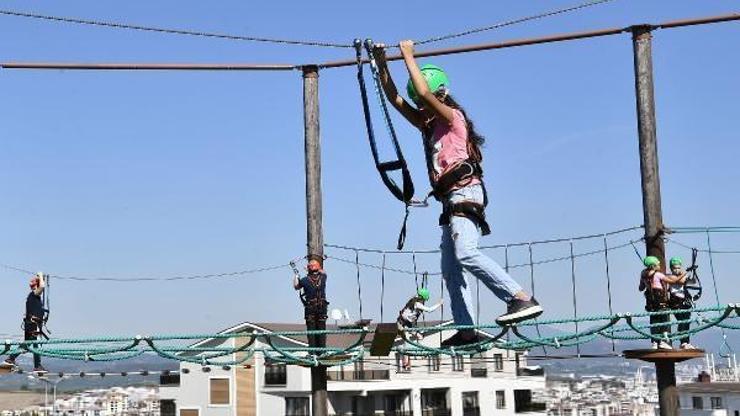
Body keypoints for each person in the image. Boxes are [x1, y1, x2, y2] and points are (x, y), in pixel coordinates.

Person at [373, 40, 542, 347]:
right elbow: (397, 100)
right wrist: (381, 62)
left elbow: (422, 92)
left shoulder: (453, 119)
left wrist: (407, 55)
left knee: (466, 253)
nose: (423, 108)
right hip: (450, 200)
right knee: (451, 270)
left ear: (441, 96)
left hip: (467, 193)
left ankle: (520, 297)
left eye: (427, 103)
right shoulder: (429, 126)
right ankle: (466, 331)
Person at [2, 273, 47, 372]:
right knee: (35, 343)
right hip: (33, 324)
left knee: (29, 343)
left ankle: (12, 358)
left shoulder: (32, 296)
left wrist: (41, 278)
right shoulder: (34, 294)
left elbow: (42, 286)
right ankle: (37, 365)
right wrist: (40, 274)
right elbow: (42, 286)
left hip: (30, 324)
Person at [639, 256, 686, 350]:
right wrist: (684, 274)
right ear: (653, 266)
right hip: (660, 300)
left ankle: (654, 342)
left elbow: (641, 288)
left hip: (650, 302)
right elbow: (674, 281)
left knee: (654, 321)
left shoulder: (643, 274)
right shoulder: (658, 274)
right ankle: (663, 341)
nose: (659, 265)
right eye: (657, 264)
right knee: (664, 319)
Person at [397, 287, 443, 370]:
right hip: (403, 324)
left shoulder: (413, 300)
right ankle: (405, 363)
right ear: (422, 298)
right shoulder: (417, 304)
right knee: (406, 341)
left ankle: (420, 352)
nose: (424, 302)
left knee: (419, 337)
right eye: (424, 300)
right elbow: (429, 310)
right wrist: (439, 304)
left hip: (407, 324)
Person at [293, 258, 328, 350]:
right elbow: (323, 272)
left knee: (311, 331)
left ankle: (312, 352)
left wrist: (296, 275)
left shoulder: (304, 280)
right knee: (321, 330)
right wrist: (312, 266)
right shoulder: (323, 278)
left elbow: (296, 286)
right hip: (322, 308)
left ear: (309, 269)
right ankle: (322, 351)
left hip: (310, 309)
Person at [667, 256, 697, 350]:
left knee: (686, 322)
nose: (677, 270)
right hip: (676, 303)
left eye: (678, 268)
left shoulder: (683, 275)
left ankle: (686, 342)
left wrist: (694, 272)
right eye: (674, 268)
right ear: (671, 268)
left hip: (684, 302)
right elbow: (680, 281)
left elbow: (693, 282)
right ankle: (683, 342)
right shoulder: (670, 276)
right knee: (682, 321)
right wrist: (685, 273)